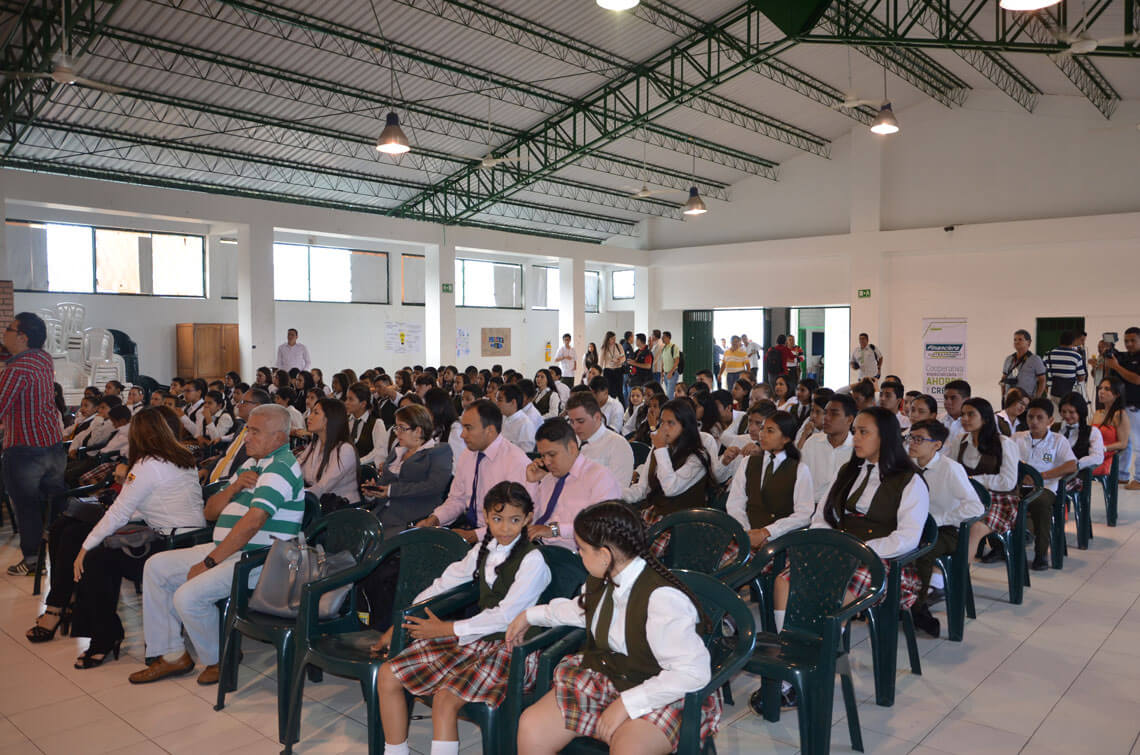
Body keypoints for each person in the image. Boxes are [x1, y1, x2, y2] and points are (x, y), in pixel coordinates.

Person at [510, 501, 718, 755]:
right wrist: (530, 615)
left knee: (629, 748)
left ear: (605, 555)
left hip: (662, 690)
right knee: (532, 727)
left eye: (583, 549)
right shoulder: (603, 577)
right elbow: (582, 611)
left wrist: (626, 705)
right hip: (610, 677)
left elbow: (693, 673)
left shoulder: (662, 599)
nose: (579, 555)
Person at [128, 404, 305, 684]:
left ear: (279, 439)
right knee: (156, 567)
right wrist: (234, 487)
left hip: (260, 560)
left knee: (188, 596)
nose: (247, 437)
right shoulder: (251, 464)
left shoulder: (280, 467)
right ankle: (173, 655)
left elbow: (253, 523)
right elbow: (210, 512)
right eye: (248, 430)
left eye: (255, 432)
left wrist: (209, 563)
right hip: (228, 550)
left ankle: (220, 658)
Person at [375, 482, 551, 755]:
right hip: (476, 638)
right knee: (388, 674)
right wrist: (401, 622)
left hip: (513, 648)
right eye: (497, 519)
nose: (505, 528)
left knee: (446, 699)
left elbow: (506, 616)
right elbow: (444, 583)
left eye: (515, 520)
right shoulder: (484, 549)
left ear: (528, 519)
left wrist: (447, 629)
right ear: (486, 517)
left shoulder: (533, 560)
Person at [63, 409, 208, 668]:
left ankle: (103, 638)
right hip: (190, 540)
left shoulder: (147, 465)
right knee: (100, 552)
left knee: (94, 560)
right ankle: (104, 634)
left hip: (168, 547)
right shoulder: (182, 458)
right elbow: (153, 503)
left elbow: (120, 512)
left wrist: (85, 548)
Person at [0, 313, 67, 576]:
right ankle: (62, 554)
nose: (4, 332)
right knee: (54, 505)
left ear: (22, 337)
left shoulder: (16, 370)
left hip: (25, 449)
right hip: (51, 444)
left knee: (26, 507)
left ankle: (31, 561)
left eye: (9, 328)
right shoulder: (43, 358)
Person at [904, 420, 984, 638]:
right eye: (911, 437)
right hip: (911, 525)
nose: (912, 443)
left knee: (922, 550)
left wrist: (939, 519)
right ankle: (892, 600)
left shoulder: (950, 468)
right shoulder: (906, 465)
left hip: (946, 530)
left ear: (936, 445)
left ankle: (917, 607)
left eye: (919, 439)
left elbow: (975, 506)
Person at [416, 400, 530, 542]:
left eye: (468, 428)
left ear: (490, 430)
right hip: (470, 526)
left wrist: (475, 536)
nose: (462, 435)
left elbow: (518, 520)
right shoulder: (468, 454)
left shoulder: (515, 461)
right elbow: (457, 499)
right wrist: (435, 519)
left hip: (501, 537)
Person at [524, 418, 622, 551]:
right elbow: (529, 518)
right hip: (538, 548)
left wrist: (554, 530)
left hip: (575, 556)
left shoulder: (599, 477)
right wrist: (532, 483)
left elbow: (601, 527)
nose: (546, 461)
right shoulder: (548, 479)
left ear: (571, 447)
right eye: (542, 455)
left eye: (552, 454)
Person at [725, 410, 815, 552]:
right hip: (745, 536)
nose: (762, 434)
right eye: (763, 429)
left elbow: (803, 514)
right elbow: (735, 502)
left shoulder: (799, 469)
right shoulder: (748, 462)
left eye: (770, 431)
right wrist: (746, 532)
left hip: (780, 540)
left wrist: (767, 532)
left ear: (785, 438)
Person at [364, 404, 454, 536]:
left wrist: (391, 491)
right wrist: (373, 492)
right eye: (396, 427)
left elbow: (433, 486)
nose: (397, 432)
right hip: (381, 514)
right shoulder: (397, 452)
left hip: (410, 519)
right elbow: (384, 485)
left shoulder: (439, 451)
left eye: (402, 428)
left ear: (418, 431)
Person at [623, 399, 711, 527]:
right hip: (656, 515)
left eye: (671, 423)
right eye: (662, 422)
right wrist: (615, 494)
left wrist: (660, 449)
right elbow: (642, 489)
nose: (664, 428)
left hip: (684, 524)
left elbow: (670, 488)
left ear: (685, 427)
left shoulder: (697, 456)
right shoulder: (660, 449)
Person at [953, 398, 1021, 565]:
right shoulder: (960, 441)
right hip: (967, 497)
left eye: (971, 414)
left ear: (985, 418)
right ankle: (940, 576)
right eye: (962, 414)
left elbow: (1008, 482)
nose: (965, 419)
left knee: (972, 528)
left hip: (998, 501)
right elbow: (951, 471)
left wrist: (974, 480)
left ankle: (958, 580)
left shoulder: (1004, 444)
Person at [1015, 399, 1077, 571]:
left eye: (1039, 418)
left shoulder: (1058, 440)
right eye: (1030, 417)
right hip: (1018, 486)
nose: (1034, 421)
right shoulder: (1017, 438)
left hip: (1044, 488)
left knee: (1041, 504)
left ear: (1050, 420)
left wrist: (1040, 477)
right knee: (997, 498)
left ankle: (1041, 553)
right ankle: (1000, 548)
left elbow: (1071, 465)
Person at [565, 392, 635, 488]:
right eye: (571, 422)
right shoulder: (570, 442)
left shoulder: (618, 445)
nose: (575, 427)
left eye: (580, 421)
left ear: (597, 417)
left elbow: (617, 491)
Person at [298, 398, 360, 505]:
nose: (309, 417)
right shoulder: (316, 443)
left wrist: (293, 493)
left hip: (340, 508)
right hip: (318, 503)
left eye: (316, 413)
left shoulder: (345, 450)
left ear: (330, 419)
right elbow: (296, 468)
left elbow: (323, 487)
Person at [800, 394, 856, 504]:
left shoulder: (857, 448)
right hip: (811, 506)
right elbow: (802, 481)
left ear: (849, 419)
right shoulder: (812, 442)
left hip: (842, 509)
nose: (826, 418)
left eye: (834, 414)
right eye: (825, 413)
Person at [207, 388, 271, 483]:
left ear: (257, 406)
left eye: (243, 402)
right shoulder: (242, 427)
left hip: (228, 483)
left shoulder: (262, 436)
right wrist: (207, 469)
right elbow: (226, 454)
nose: (238, 405)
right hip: (214, 477)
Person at [1103, 327, 1140, 488]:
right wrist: (1107, 355)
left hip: (1137, 407)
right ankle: (1122, 475)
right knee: (1125, 443)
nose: (1129, 344)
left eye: (1133, 340)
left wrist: (1116, 366)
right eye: (1126, 341)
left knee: (1138, 445)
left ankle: (1138, 479)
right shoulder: (1123, 357)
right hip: (1123, 406)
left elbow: (1137, 379)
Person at [1091, 377, 1130, 478]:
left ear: (1117, 394)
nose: (1101, 392)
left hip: (1106, 458)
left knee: (1075, 469)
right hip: (1092, 454)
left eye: (1107, 389)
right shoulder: (1097, 413)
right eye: (1100, 388)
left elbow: (1123, 443)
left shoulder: (1120, 414)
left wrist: (1103, 448)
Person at [1044, 331, 1087, 410]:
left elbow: (1043, 374)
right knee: (1069, 417)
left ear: (1060, 341)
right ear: (1073, 341)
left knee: (1054, 419)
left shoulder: (1049, 354)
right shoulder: (1076, 356)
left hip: (1052, 392)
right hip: (1070, 394)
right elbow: (1081, 378)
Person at [1001, 329, 1046, 400]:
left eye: (1020, 339)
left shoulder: (1035, 359)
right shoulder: (1009, 359)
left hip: (1026, 400)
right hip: (1009, 399)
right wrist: (1003, 396)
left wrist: (1037, 398)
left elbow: (1042, 380)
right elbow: (1003, 378)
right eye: (1015, 340)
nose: (1016, 342)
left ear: (1029, 342)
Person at [497, 384, 538, 454]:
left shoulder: (525, 424)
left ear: (513, 402)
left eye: (500, 400)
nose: (497, 403)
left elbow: (526, 454)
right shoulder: (503, 417)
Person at [600, 331, 627, 408]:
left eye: (615, 338)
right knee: (610, 392)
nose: (614, 340)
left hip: (618, 370)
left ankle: (623, 409)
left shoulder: (619, 346)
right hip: (608, 371)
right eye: (612, 339)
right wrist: (600, 374)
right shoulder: (604, 348)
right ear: (608, 339)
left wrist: (619, 361)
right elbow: (601, 362)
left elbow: (624, 357)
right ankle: (611, 408)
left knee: (620, 392)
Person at [658, 332, 682, 399]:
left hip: (672, 374)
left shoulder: (674, 347)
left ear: (668, 338)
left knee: (669, 394)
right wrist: (662, 373)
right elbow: (663, 361)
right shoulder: (663, 348)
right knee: (669, 393)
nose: (662, 339)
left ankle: (670, 408)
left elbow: (677, 361)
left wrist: (671, 372)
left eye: (663, 337)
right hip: (666, 374)